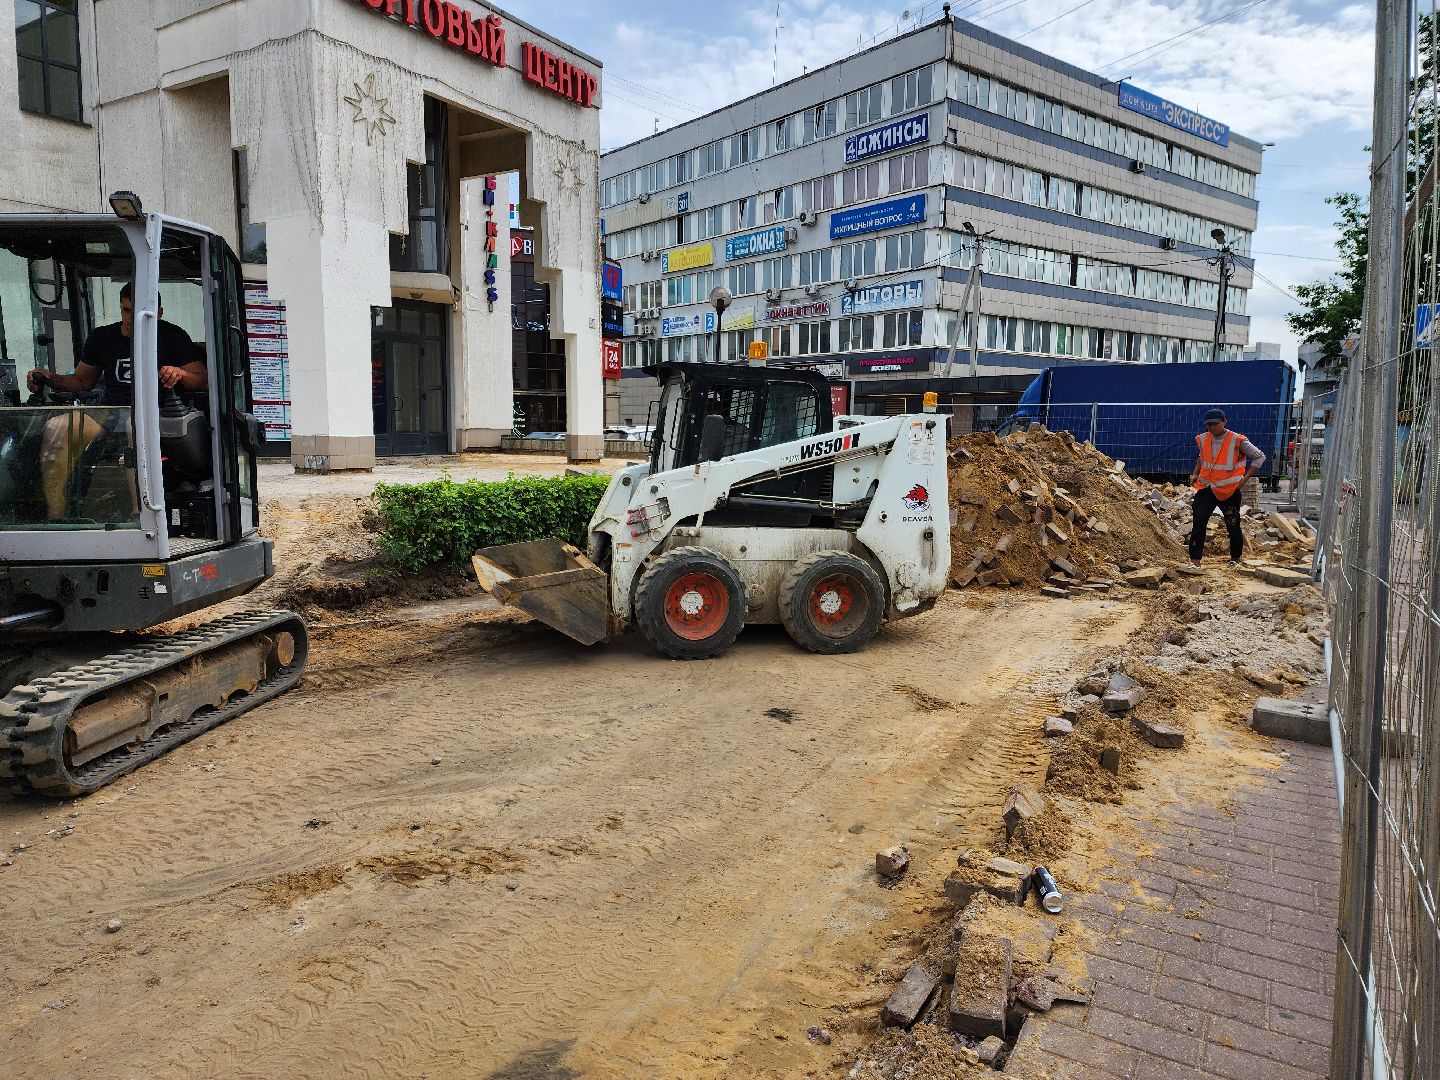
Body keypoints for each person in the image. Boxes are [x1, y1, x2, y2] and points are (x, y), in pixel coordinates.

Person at [26, 283, 203, 518]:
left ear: (157, 313)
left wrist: (181, 373)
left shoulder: (173, 336)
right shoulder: (103, 337)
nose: (129, 319)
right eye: (125, 310)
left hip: (160, 413)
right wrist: (50, 378)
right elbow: (81, 381)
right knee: (56, 427)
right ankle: (55, 517)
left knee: (134, 424)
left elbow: (203, 380)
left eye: (137, 312)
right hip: (112, 413)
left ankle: (140, 517)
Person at [1188, 408, 1266, 567]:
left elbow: (1259, 457)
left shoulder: (1237, 440)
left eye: (1215, 424)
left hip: (1229, 490)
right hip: (1206, 488)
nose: (1211, 428)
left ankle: (1235, 558)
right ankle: (1195, 562)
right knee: (1198, 523)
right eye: (1208, 425)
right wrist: (1195, 474)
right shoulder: (1203, 439)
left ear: (1224, 421)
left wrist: (1245, 479)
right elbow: (1202, 457)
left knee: (1232, 524)